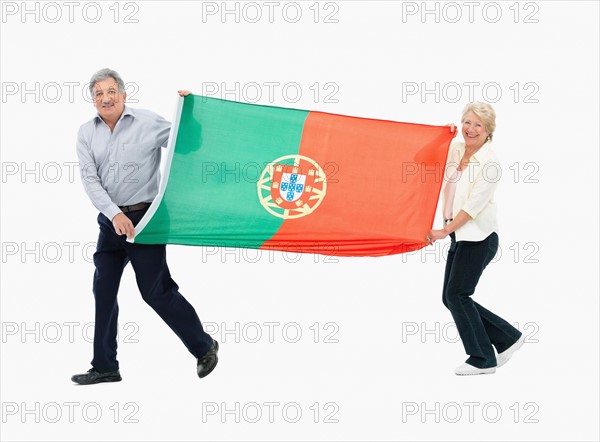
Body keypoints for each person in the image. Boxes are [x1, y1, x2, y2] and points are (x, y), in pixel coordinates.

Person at [72, 68, 218, 385]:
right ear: (93, 100)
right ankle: (105, 366)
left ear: (123, 95)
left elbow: (188, 144)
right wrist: (114, 215)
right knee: (103, 289)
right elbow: (90, 180)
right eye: (98, 94)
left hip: (146, 220)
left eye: (111, 91)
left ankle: (204, 347)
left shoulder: (147, 122)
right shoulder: (86, 132)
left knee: (155, 292)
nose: (105, 98)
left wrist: (189, 113)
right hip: (111, 222)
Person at [427, 102, 524, 376]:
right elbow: (432, 156)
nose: (471, 129)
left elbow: (472, 208)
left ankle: (482, 358)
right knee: (451, 297)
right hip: (459, 235)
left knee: (457, 295)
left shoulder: (490, 164)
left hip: (479, 238)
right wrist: (440, 134)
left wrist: (442, 231)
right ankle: (507, 338)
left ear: (489, 131)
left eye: (478, 125)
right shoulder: (457, 149)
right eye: (467, 122)